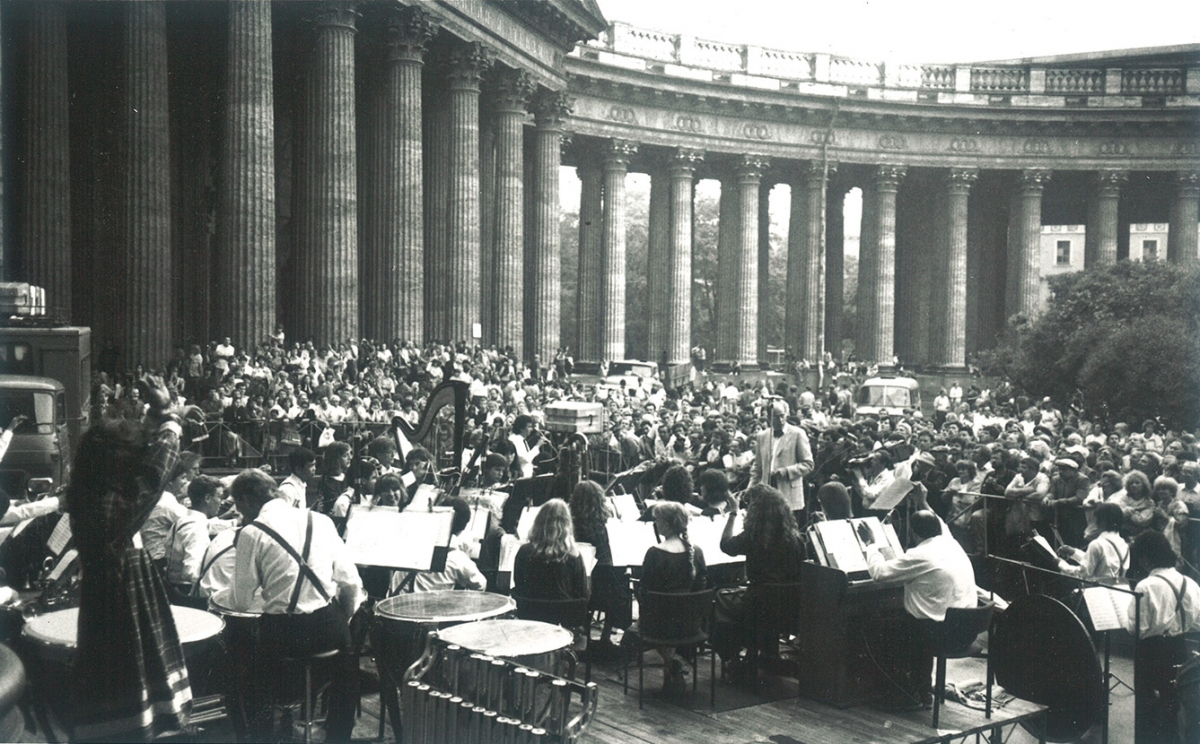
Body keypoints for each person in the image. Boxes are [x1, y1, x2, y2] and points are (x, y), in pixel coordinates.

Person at [66, 376, 193, 742]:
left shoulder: (92, 490)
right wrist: (168, 416)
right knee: (129, 705)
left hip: (114, 600)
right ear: (118, 467)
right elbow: (151, 477)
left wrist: (153, 413)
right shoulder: (110, 509)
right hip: (121, 607)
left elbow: (135, 455)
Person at [228, 468, 364, 743]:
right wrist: (342, 619)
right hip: (327, 626)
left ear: (245, 500)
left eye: (237, 505)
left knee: (250, 674)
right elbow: (350, 583)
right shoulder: (321, 520)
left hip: (282, 634)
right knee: (348, 672)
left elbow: (240, 602)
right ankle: (339, 737)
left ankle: (263, 736)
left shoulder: (251, 533)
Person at [857, 510, 977, 708]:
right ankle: (922, 691)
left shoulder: (919, 555)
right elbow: (943, 526)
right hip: (965, 631)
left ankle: (904, 692)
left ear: (912, 533)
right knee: (915, 620)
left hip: (938, 634)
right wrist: (923, 501)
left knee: (873, 628)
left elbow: (878, 573)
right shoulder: (952, 544)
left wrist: (870, 544)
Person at [713, 485, 806, 670]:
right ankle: (767, 654)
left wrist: (732, 513)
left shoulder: (754, 537)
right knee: (765, 601)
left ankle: (733, 657)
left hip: (757, 605)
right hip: (788, 607)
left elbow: (726, 545)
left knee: (719, 599)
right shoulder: (796, 540)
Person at [1124, 530, 1200, 743]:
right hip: (1180, 648)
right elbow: (1198, 621)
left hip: (1151, 653)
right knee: (1174, 705)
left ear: (1145, 558)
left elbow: (1135, 628)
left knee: (1148, 709)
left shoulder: (1146, 586)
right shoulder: (1190, 582)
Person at [633, 501, 708, 695]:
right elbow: (701, 587)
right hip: (690, 625)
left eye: (657, 520)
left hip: (660, 627)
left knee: (632, 633)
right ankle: (674, 661)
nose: (655, 524)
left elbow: (645, 594)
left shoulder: (655, 553)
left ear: (666, 524)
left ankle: (672, 661)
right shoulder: (696, 551)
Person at [569, 481, 631, 650]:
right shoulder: (608, 521)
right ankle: (605, 636)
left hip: (585, 582)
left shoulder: (573, 523)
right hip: (610, 582)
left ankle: (582, 632)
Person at [392, 496, 485, 594]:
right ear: (464, 526)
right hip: (432, 608)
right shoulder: (457, 559)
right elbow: (481, 585)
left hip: (397, 605)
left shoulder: (412, 545)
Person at [512, 498, 588, 602]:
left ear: (539, 522)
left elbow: (519, 586)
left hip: (531, 614)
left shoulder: (524, 551)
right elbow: (582, 594)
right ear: (567, 525)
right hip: (564, 615)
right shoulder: (574, 555)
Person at [750, 399, 814, 521]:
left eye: (782, 416)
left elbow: (808, 464)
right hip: (767, 494)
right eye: (776, 417)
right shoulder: (762, 436)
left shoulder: (798, 434)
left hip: (789, 493)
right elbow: (757, 467)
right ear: (768, 417)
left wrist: (785, 471)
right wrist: (750, 488)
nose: (780, 420)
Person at [163, 475, 224, 603]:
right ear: (207, 498)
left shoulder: (184, 520)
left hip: (172, 586)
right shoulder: (196, 528)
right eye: (219, 497)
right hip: (186, 593)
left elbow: (210, 526)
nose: (221, 502)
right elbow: (191, 571)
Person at [1056, 503, 1128, 584]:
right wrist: (1074, 552)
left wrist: (1061, 564)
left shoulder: (1097, 544)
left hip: (1097, 592)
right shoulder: (1124, 545)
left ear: (1102, 522)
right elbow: (1100, 563)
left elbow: (1083, 574)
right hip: (1117, 592)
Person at [510, 415, 543, 479]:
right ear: (521, 429)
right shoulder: (515, 440)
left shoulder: (522, 439)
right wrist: (537, 446)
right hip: (521, 477)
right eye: (529, 427)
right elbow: (525, 459)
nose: (531, 429)